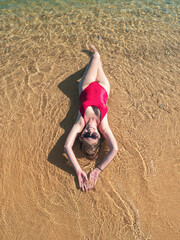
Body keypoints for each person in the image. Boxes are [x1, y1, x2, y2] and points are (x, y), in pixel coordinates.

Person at [64, 44, 118, 191]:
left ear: (81, 135)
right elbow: (114, 149)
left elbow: (67, 146)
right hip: (104, 87)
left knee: (96, 57)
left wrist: (78, 170)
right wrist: (97, 170)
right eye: (93, 135)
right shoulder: (103, 126)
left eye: (86, 134)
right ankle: (93, 61)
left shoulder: (80, 122)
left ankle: (94, 55)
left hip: (86, 86)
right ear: (99, 136)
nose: (90, 131)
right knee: (97, 62)